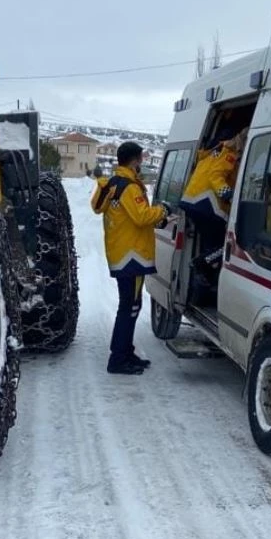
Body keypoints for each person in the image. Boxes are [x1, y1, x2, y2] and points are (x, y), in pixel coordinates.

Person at [91, 140, 170, 375]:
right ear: (135, 160)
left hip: (122, 253)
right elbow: (142, 217)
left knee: (130, 305)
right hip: (132, 257)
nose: (142, 164)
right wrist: (163, 211)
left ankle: (125, 352)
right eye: (141, 160)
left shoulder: (115, 184)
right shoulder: (129, 187)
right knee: (130, 306)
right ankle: (118, 359)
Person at [181, 127, 249, 286]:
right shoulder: (230, 153)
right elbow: (215, 176)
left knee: (209, 243)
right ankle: (201, 263)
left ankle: (205, 279)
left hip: (192, 202)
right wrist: (230, 196)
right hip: (207, 205)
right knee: (225, 246)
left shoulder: (214, 150)